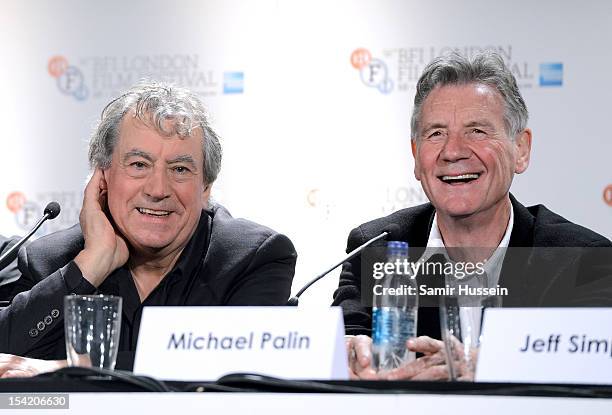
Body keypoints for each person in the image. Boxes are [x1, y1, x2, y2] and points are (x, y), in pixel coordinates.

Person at [333, 51, 612, 380]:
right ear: (415, 155)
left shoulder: (582, 258)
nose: (453, 151)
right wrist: (348, 356)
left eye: (477, 131)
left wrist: (490, 366)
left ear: (520, 149)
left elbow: (594, 361)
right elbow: (347, 340)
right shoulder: (376, 247)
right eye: (436, 133)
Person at [0, 81, 297, 377]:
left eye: (180, 169)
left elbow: (242, 371)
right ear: (102, 178)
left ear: (205, 188)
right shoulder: (50, 261)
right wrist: (91, 265)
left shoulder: (253, 258)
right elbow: (6, 360)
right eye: (139, 165)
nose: (158, 189)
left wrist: (69, 368)